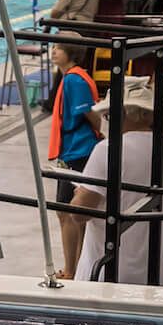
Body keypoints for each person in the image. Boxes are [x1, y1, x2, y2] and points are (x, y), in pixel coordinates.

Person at [70, 101, 163, 285]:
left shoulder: (108, 150)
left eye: (109, 116)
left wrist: (79, 193)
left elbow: (79, 213)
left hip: (104, 277)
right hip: (154, 278)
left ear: (122, 114)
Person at [44, 42, 102, 279]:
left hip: (78, 150)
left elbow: (90, 113)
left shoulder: (73, 80)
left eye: (59, 47)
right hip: (74, 149)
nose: (54, 51)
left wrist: (96, 133)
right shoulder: (72, 76)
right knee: (71, 212)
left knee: (66, 212)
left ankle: (70, 270)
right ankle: (76, 267)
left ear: (72, 52)